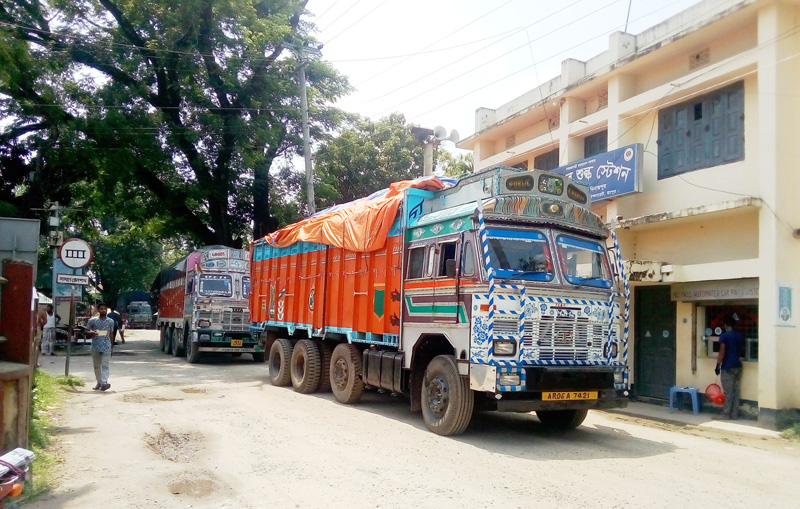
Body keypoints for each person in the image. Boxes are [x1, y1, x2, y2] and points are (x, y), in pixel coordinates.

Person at [714, 315, 745, 420]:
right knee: (736, 391)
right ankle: (734, 414)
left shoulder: (724, 336)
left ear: (726, 325)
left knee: (728, 391)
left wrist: (718, 365)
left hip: (728, 366)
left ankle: (726, 414)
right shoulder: (740, 335)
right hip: (738, 366)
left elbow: (722, 351)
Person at [87, 303, 115, 391]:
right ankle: (99, 383)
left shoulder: (110, 321)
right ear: (98, 310)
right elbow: (86, 331)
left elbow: (110, 333)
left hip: (106, 346)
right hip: (95, 346)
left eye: (105, 309)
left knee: (105, 365)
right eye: (101, 309)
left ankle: (104, 383)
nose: (103, 310)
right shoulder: (92, 320)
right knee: (96, 366)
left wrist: (112, 346)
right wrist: (91, 333)